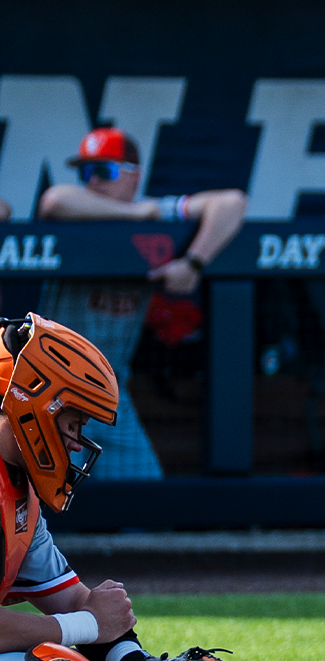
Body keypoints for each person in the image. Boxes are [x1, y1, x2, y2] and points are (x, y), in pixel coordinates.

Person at [0, 314, 206, 661]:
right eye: (72, 420)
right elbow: (82, 619)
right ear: (32, 400)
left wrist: (131, 659)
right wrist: (92, 628)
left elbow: (70, 601)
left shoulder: (17, 488)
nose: (76, 439)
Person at [35, 127, 248, 479]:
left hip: (109, 395)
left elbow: (232, 203)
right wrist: (137, 217)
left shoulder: (155, 211)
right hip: (52, 391)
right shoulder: (82, 213)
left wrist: (193, 262)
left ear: (134, 174)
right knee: (44, 509)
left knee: (148, 495)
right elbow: (55, 200)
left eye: (104, 171)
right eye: (86, 172)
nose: (93, 182)